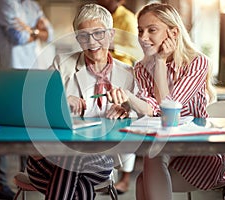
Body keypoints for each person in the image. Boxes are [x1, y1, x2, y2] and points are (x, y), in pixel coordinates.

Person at [107, 3, 225, 200]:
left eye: (151, 30)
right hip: (166, 151)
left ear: (173, 33)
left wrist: (160, 63)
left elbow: (169, 107)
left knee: (147, 172)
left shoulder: (197, 63)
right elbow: (152, 108)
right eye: (140, 30)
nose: (143, 38)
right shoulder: (142, 68)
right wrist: (129, 99)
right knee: (147, 170)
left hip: (198, 151)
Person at [25, 4, 135, 200]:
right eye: (83, 36)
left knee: (74, 156)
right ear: (77, 39)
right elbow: (36, 106)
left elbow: (141, 118)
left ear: (111, 34)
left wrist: (128, 110)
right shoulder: (62, 64)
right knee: (81, 187)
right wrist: (60, 102)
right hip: (47, 160)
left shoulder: (127, 74)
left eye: (98, 33)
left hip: (100, 161)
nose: (91, 42)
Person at [0, 0, 54, 199]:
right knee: (3, 130)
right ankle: (0, 184)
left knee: (29, 130)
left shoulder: (32, 6)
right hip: (11, 74)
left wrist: (32, 31)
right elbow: (18, 36)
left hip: (32, 75)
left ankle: (27, 178)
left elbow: (49, 34)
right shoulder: (4, 4)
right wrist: (36, 31)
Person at [96, 0, 138, 194]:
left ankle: (125, 178)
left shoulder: (128, 19)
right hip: (101, 72)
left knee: (124, 126)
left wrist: (111, 47)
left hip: (122, 75)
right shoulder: (98, 16)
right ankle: (104, 173)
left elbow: (135, 50)